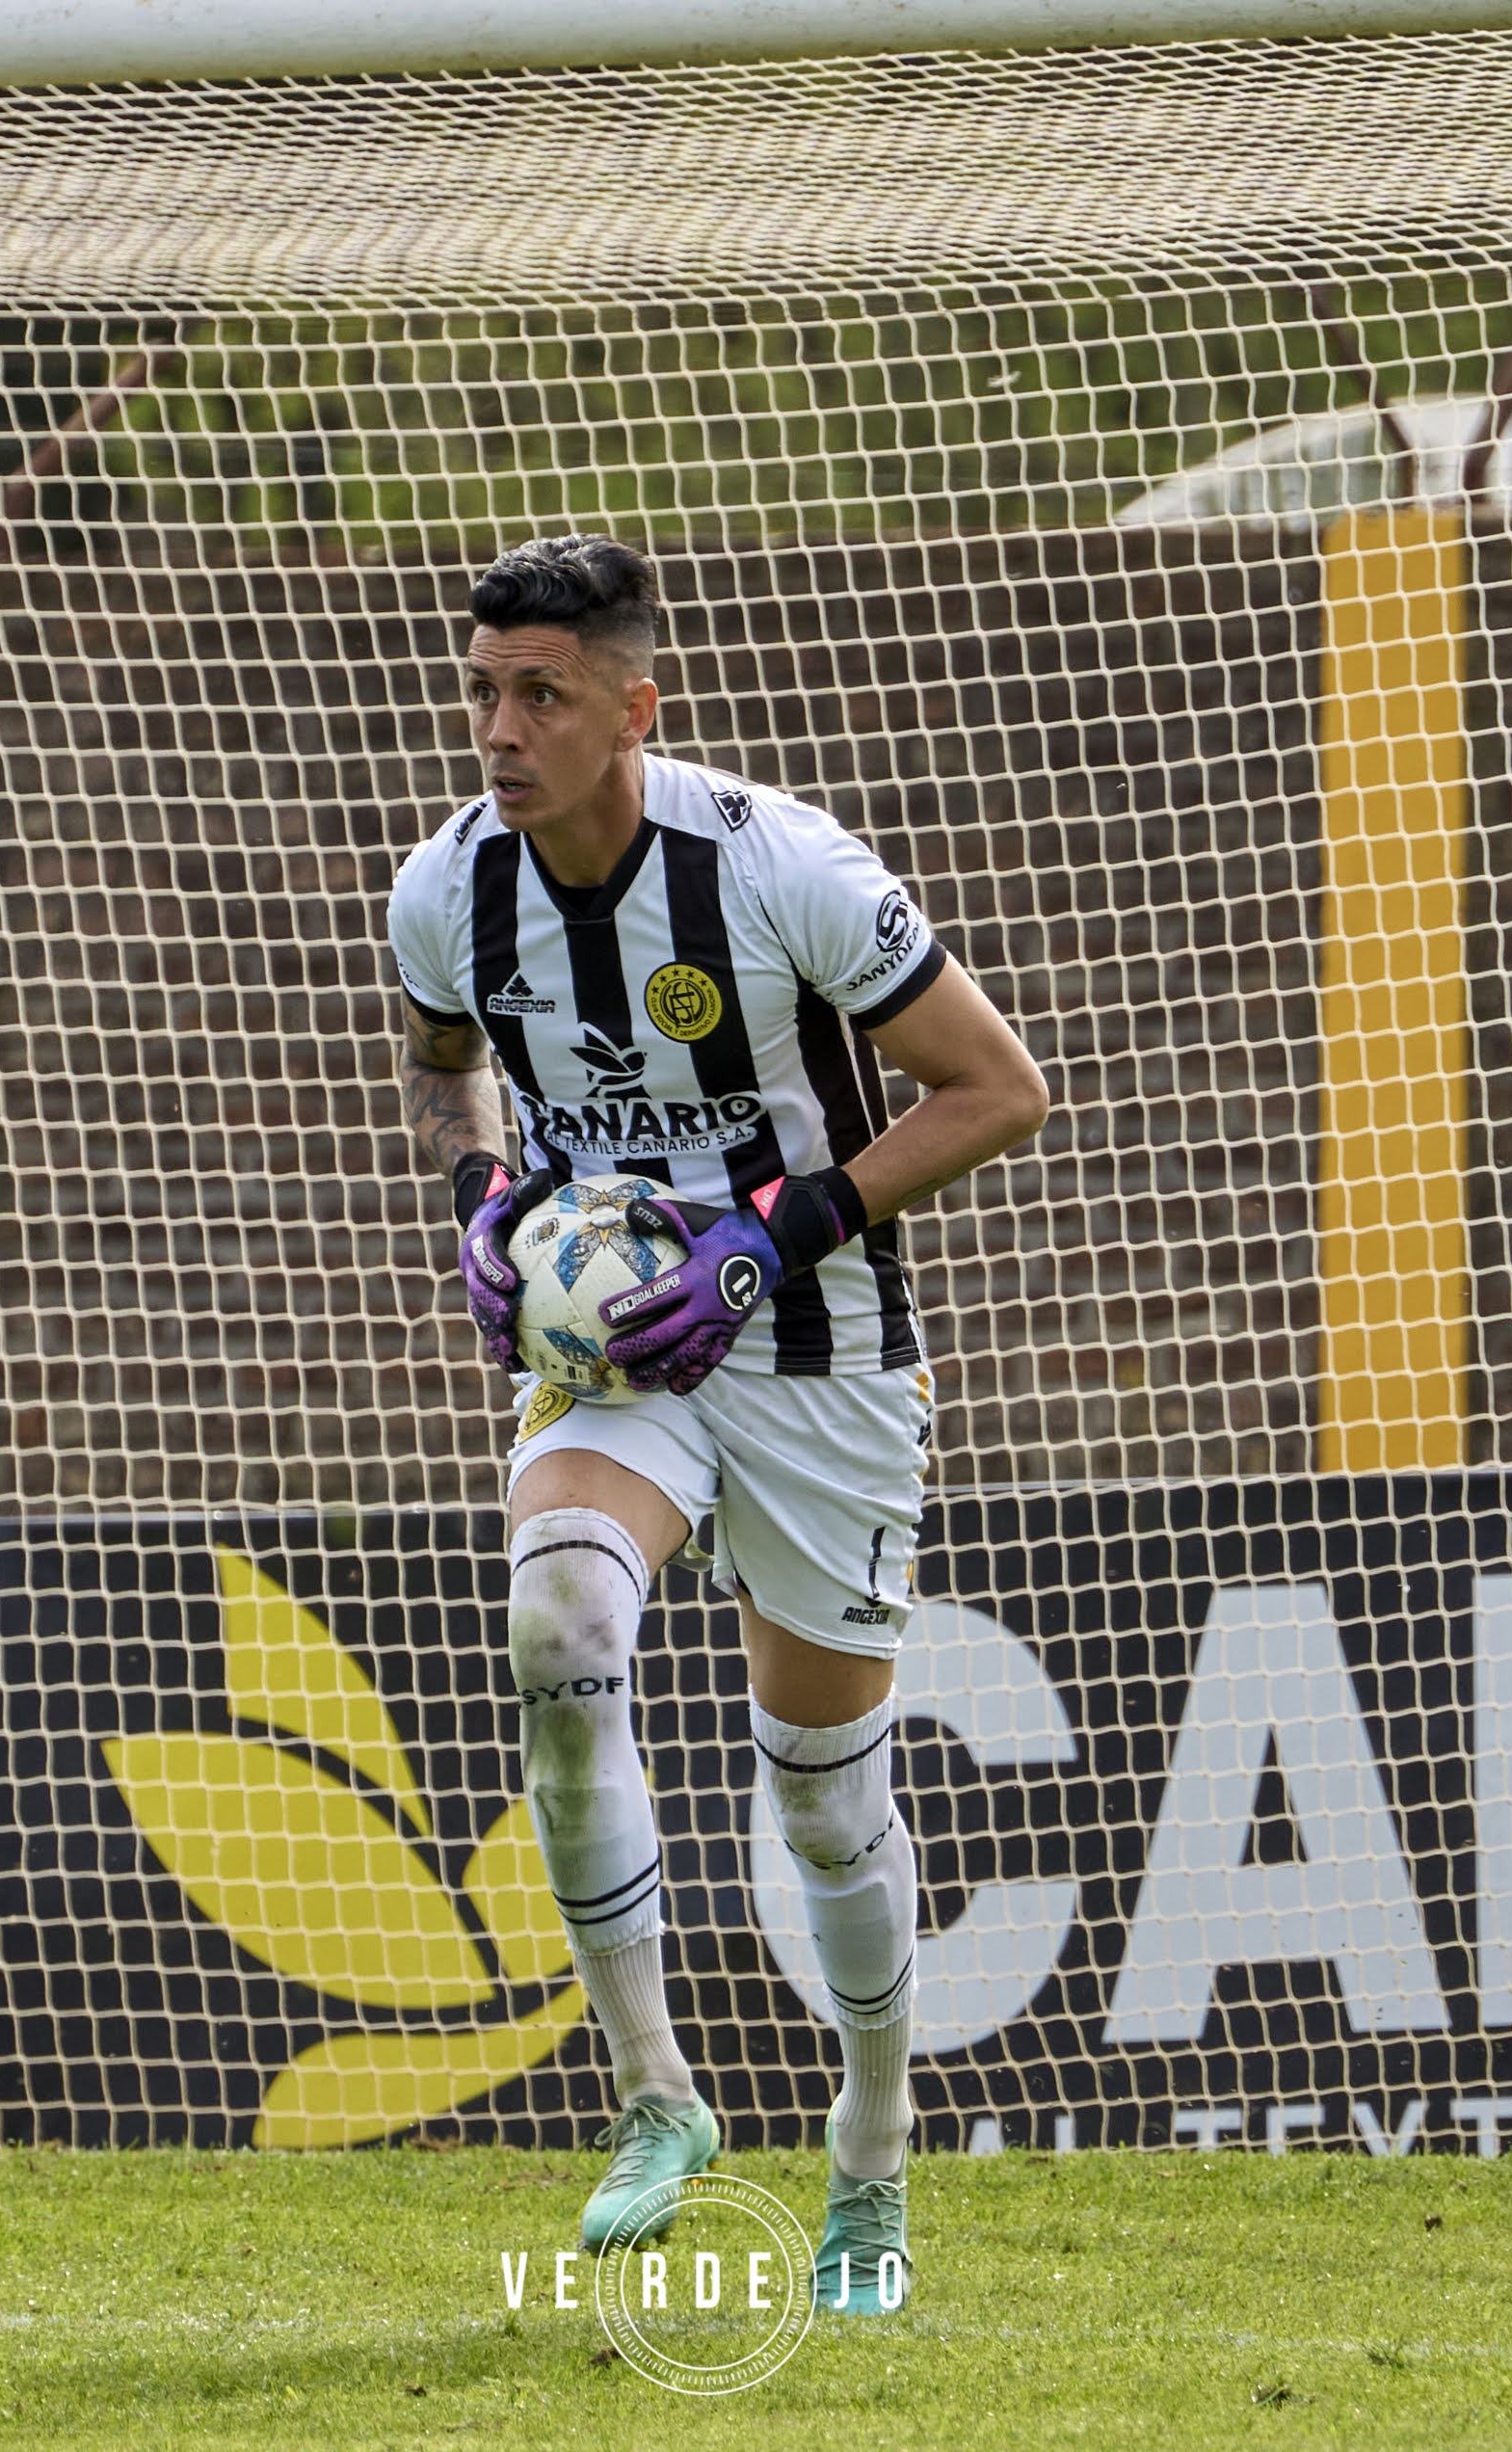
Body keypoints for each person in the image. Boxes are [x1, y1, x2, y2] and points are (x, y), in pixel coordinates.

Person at [386, 535, 1048, 2316]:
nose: (500, 730)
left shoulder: (780, 868)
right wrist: (475, 1196)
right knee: (559, 1625)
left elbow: (997, 1087)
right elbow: (442, 1059)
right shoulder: (446, 886)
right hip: (615, 1364)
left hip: (819, 1357)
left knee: (827, 1807)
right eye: (484, 692)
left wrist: (772, 1237)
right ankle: (657, 2100)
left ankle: (871, 2161)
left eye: (542, 695)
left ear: (630, 708)